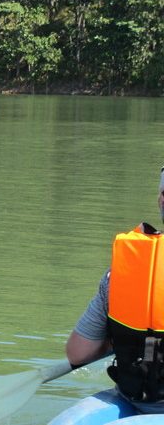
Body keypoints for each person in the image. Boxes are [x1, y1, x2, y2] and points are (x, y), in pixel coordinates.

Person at [65, 168, 164, 412]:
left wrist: (124, 339)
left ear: (162, 199)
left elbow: (78, 353)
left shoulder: (122, 271)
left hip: (136, 400)